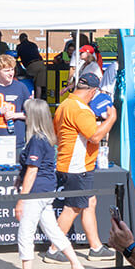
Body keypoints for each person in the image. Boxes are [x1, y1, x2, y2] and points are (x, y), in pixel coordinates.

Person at [8, 97, 77, 269]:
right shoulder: (44, 137)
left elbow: (32, 171)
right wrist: (20, 178)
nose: (23, 116)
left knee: (26, 232)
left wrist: (22, 199)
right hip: (45, 190)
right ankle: (77, 265)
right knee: (52, 230)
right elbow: (30, 169)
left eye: (26, 113)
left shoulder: (37, 140)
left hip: (36, 192)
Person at [52, 66, 111, 257]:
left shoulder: (64, 105)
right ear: (93, 92)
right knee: (73, 207)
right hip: (76, 166)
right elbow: (94, 137)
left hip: (70, 162)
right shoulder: (81, 109)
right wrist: (111, 119)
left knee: (89, 202)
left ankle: (95, 246)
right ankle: (54, 249)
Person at [14, 33, 46, 98]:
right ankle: (38, 100)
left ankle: (31, 98)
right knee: (38, 85)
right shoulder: (33, 44)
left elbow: (15, 58)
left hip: (31, 65)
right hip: (41, 64)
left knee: (29, 81)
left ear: (20, 39)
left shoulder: (19, 46)